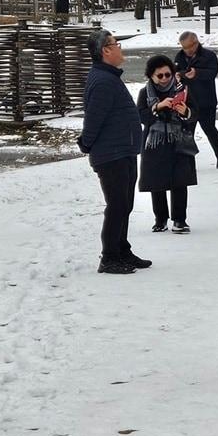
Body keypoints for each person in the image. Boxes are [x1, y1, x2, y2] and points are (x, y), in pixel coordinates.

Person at [78, 29, 151, 275]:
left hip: (123, 151)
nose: (120, 47)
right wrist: (86, 144)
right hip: (111, 154)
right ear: (105, 51)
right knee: (117, 205)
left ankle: (121, 250)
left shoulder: (108, 77)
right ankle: (109, 257)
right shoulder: (102, 80)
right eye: (115, 44)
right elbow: (93, 120)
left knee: (125, 204)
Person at [137, 54, 199, 233]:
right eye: (160, 75)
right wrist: (157, 107)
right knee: (156, 182)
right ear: (151, 76)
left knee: (180, 180)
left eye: (168, 74)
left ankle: (179, 219)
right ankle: (160, 218)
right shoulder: (145, 93)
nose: (165, 79)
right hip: (154, 142)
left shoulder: (182, 90)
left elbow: (195, 113)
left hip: (178, 141)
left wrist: (185, 111)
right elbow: (141, 116)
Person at [175, 30, 218, 168]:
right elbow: (177, 71)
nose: (187, 50)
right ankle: (188, 161)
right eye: (183, 47)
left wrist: (197, 73)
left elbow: (212, 72)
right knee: (187, 132)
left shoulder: (208, 55)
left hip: (206, 101)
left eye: (189, 47)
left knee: (209, 129)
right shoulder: (179, 56)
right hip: (188, 102)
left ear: (196, 43)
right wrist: (179, 75)